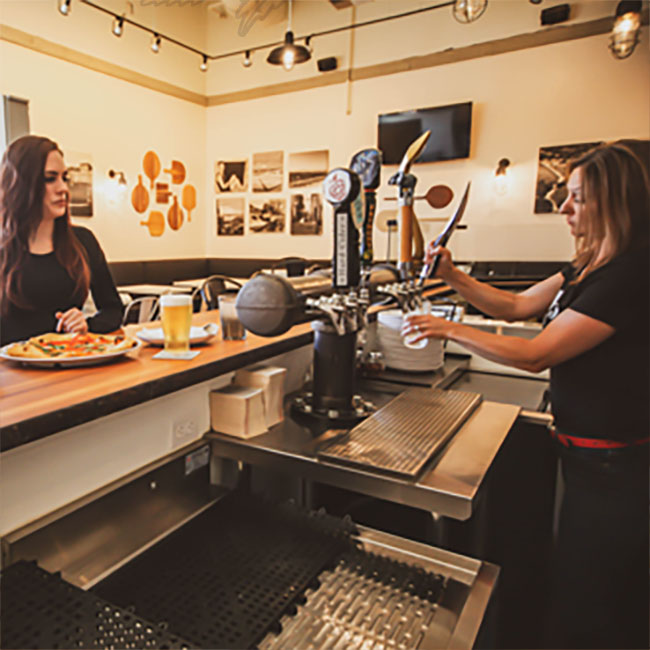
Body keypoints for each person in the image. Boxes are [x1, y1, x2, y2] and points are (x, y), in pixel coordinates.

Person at [402, 139, 649, 650]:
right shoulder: (586, 267)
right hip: (584, 457)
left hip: (617, 470)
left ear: (615, 202)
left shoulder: (632, 275)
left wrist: (447, 329)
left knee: (595, 596)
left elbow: (537, 354)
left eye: (578, 198)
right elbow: (515, 306)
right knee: (580, 578)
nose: (564, 207)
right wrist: (453, 277)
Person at [0, 135, 123, 345]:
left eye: (64, 178)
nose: (63, 188)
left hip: (69, 358)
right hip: (12, 364)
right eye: (50, 179)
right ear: (21, 184)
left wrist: (86, 325)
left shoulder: (83, 241)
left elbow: (113, 310)